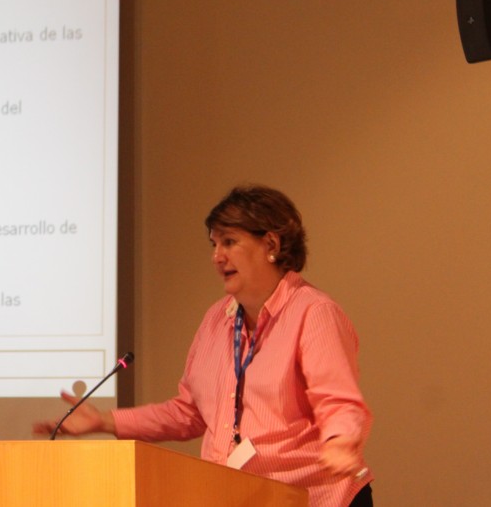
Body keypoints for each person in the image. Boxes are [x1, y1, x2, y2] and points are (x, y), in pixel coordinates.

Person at [34, 185, 373, 507]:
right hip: (240, 497)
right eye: (214, 244)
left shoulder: (313, 313)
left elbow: (339, 401)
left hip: (316, 499)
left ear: (271, 244)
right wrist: (106, 421)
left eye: (229, 242)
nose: (216, 257)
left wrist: (339, 442)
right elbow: (188, 413)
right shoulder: (216, 320)